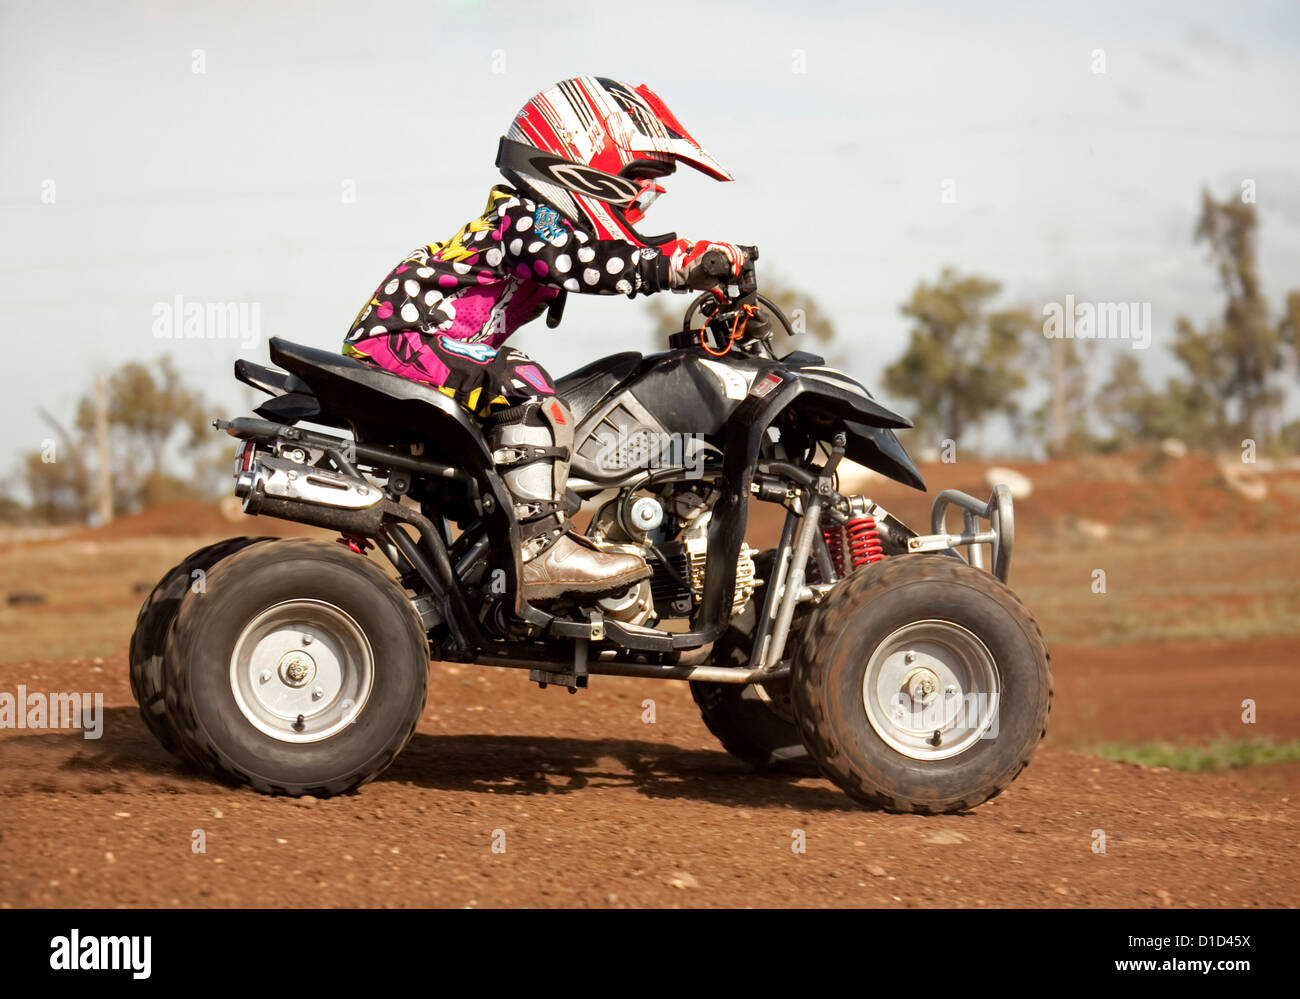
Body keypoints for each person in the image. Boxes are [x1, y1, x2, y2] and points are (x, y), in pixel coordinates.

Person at [343, 76, 746, 601]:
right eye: (636, 187)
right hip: (402, 341)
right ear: (579, 165)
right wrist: (674, 265)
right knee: (522, 379)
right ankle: (539, 549)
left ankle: (481, 564)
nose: (638, 208)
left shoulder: (526, 221)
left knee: (494, 429)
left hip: (417, 347)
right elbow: (576, 263)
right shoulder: (527, 219)